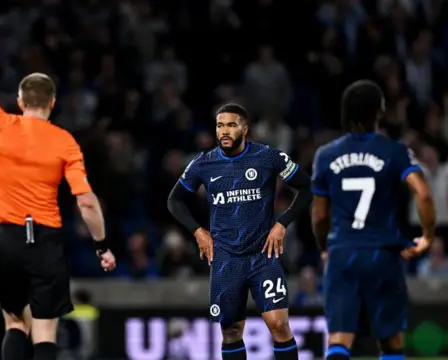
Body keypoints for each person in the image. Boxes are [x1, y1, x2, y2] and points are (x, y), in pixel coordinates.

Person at [0, 20, 117, 360]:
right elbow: (86, 203)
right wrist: (102, 246)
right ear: (52, 103)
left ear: (20, 101)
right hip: (46, 241)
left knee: (15, 322)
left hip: (6, 239)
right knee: (45, 328)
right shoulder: (65, 142)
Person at [167, 103, 312, 360]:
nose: (224, 131)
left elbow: (307, 187)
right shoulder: (204, 163)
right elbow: (174, 201)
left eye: (231, 125)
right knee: (231, 331)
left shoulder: (267, 157)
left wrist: (282, 223)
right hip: (226, 259)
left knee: (279, 324)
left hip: (262, 254)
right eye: (220, 125)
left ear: (244, 129)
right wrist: (198, 231)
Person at [311, 80, 436, 360]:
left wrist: (323, 246)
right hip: (384, 254)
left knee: (340, 339)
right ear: (379, 112)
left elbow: (320, 214)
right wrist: (427, 236)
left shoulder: (326, 155)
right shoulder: (394, 151)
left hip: (343, 252)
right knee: (391, 341)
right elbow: (424, 194)